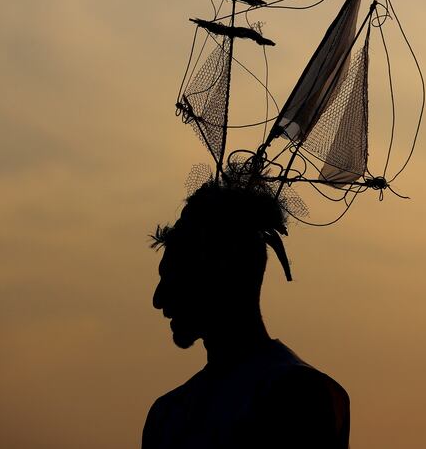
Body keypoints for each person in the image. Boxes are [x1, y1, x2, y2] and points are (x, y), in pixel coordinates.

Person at [142, 176, 350, 449]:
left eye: (174, 278)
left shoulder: (297, 394)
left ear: (221, 271)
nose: (158, 299)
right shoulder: (166, 414)